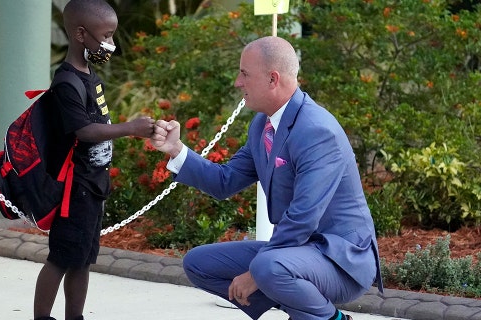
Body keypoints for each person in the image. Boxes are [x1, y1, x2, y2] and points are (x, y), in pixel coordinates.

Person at [150, 36, 383, 320]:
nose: (238, 82)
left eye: (245, 74)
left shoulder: (317, 131)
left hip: (341, 260)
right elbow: (224, 181)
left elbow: (303, 216)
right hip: (294, 254)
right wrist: (175, 148)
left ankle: (330, 319)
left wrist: (255, 274)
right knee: (199, 263)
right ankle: (303, 312)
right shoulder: (263, 123)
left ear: (273, 79)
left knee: (266, 267)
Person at [32, 1, 155, 320]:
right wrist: (131, 128)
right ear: (80, 34)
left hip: (93, 184)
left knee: (83, 259)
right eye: (107, 35)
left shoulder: (90, 75)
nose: (111, 44)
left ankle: (75, 316)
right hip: (75, 189)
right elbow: (84, 131)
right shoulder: (67, 81)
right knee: (61, 257)